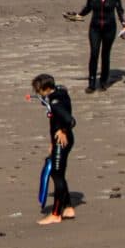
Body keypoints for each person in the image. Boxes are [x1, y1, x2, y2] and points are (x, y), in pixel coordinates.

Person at [67, 0, 125, 93]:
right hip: (95, 28)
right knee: (94, 53)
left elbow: (120, 10)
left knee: (105, 55)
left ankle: (103, 82)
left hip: (110, 28)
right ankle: (91, 84)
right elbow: (88, 8)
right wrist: (77, 15)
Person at [31, 74, 77, 225]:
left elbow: (70, 120)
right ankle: (68, 207)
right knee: (60, 173)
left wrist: (63, 130)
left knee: (56, 175)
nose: (38, 94)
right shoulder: (60, 92)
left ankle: (56, 214)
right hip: (62, 140)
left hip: (62, 141)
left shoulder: (55, 102)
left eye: (39, 90)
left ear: (46, 88)